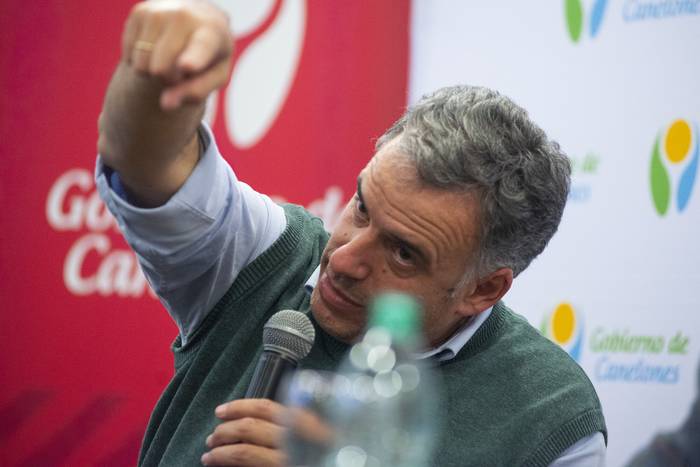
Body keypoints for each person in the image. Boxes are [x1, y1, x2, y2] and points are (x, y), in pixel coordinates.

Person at [96, 1, 607, 466]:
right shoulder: (265, 257)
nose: (341, 261)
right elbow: (149, 164)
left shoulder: (553, 418)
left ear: (483, 289)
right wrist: (156, 77)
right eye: (362, 207)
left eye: (404, 254)